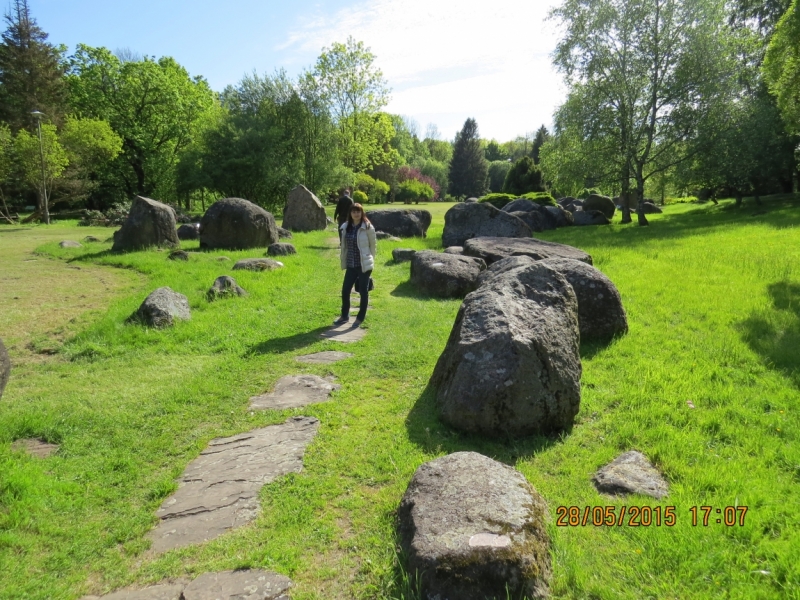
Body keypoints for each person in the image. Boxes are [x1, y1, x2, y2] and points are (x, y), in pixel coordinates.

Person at [334, 203, 376, 328]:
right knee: (345, 290)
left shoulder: (368, 227)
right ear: (350, 214)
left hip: (364, 264)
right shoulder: (346, 227)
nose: (356, 214)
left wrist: (370, 260)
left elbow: (373, 246)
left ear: (362, 213)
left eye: (358, 211)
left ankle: (360, 317)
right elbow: (344, 246)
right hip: (351, 264)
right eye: (353, 212)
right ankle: (344, 316)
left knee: (363, 291)